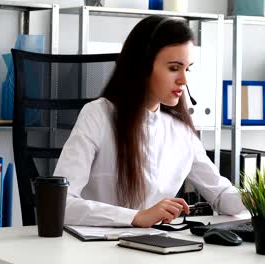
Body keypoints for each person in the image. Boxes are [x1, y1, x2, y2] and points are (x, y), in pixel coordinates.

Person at [54, 15, 245, 228]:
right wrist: (136, 217)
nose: (184, 79)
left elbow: (220, 195)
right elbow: (60, 204)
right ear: (142, 67)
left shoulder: (181, 130)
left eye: (187, 68)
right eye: (174, 68)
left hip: (156, 247)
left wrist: (262, 198)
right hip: (98, 250)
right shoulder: (98, 115)